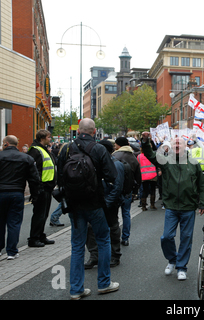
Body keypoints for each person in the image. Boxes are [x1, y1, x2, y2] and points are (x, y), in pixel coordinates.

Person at [57, 118, 119, 300]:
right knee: (103, 240)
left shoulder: (66, 149)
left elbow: (60, 177)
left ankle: (76, 289)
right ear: (94, 132)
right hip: (95, 203)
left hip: (74, 205)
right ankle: (104, 283)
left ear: (78, 131)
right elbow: (112, 175)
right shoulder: (99, 148)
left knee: (77, 245)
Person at [140, 132, 204, 281]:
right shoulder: (165, 161)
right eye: (174, 143)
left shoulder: (194, 163)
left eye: (180, 143)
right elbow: (150, 155)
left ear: (185, 146)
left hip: (188, 207)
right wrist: (145, 140)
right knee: (167, 237)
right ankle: (172, 259)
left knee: (186, 238)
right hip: (171, 206)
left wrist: (202, 202)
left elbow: (202, 185)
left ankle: (182, 267)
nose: (177, 145)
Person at [0, 135, 40, 259]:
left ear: (5, 144)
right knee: (14, 223)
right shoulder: (26, 158)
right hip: (17, 193)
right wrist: (34, 194)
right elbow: (34, 179)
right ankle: (12, 251)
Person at [85, 140, 124, 268]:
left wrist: (106, 203)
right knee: (90, 229)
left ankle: (115, 255)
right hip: (98, 203)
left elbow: (117, 188)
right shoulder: (99, 163)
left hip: (109, 204)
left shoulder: (116, 165)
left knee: (112, 228)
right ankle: (94, 255)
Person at [27, 129, 57, 247]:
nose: (50, 139)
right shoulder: (35, 151)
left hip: (47, 187)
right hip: (42, 188)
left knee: (43, 214)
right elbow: (35, 172)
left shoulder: (42, 149)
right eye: (49, 137)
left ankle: (40, 235)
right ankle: (34, 238)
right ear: (42, 138)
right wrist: (37, 188)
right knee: (39, 214)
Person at [113, 137, 142, 245]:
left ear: (119, 145)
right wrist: (135, 191)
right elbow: (138, 176)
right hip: (128, 191)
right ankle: (125, 237)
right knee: (126, 214)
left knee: (114, 215)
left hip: (116, 190)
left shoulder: (114, 156)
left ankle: (115, 236)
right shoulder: (133, 157)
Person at [137, 143, 158, 211]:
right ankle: (152, 205)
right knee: (152, 190)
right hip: (153, 175)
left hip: (144, 175)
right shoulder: (152, 155)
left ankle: (143, 206)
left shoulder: (139, 156)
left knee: (144, 191)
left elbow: (138, 165)